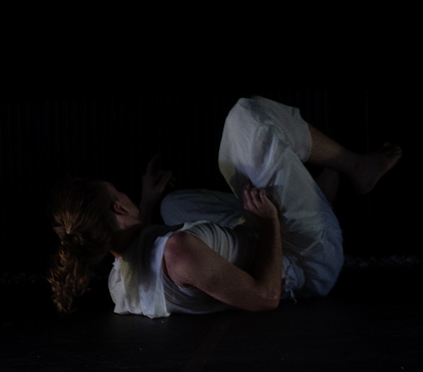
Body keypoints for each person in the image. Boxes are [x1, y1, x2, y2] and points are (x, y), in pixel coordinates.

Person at [48, 96, 402, 316]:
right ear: (118, 209)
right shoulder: (179, 251)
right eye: (120, 193)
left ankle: (315, 195)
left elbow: (139, 248)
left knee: (173, 205)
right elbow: (267, 297)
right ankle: (354, 167)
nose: (125, 195)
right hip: (309, 261)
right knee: (247, 118)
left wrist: (147, 201)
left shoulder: (118, 284)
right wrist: (269, 221)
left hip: (255, 242)